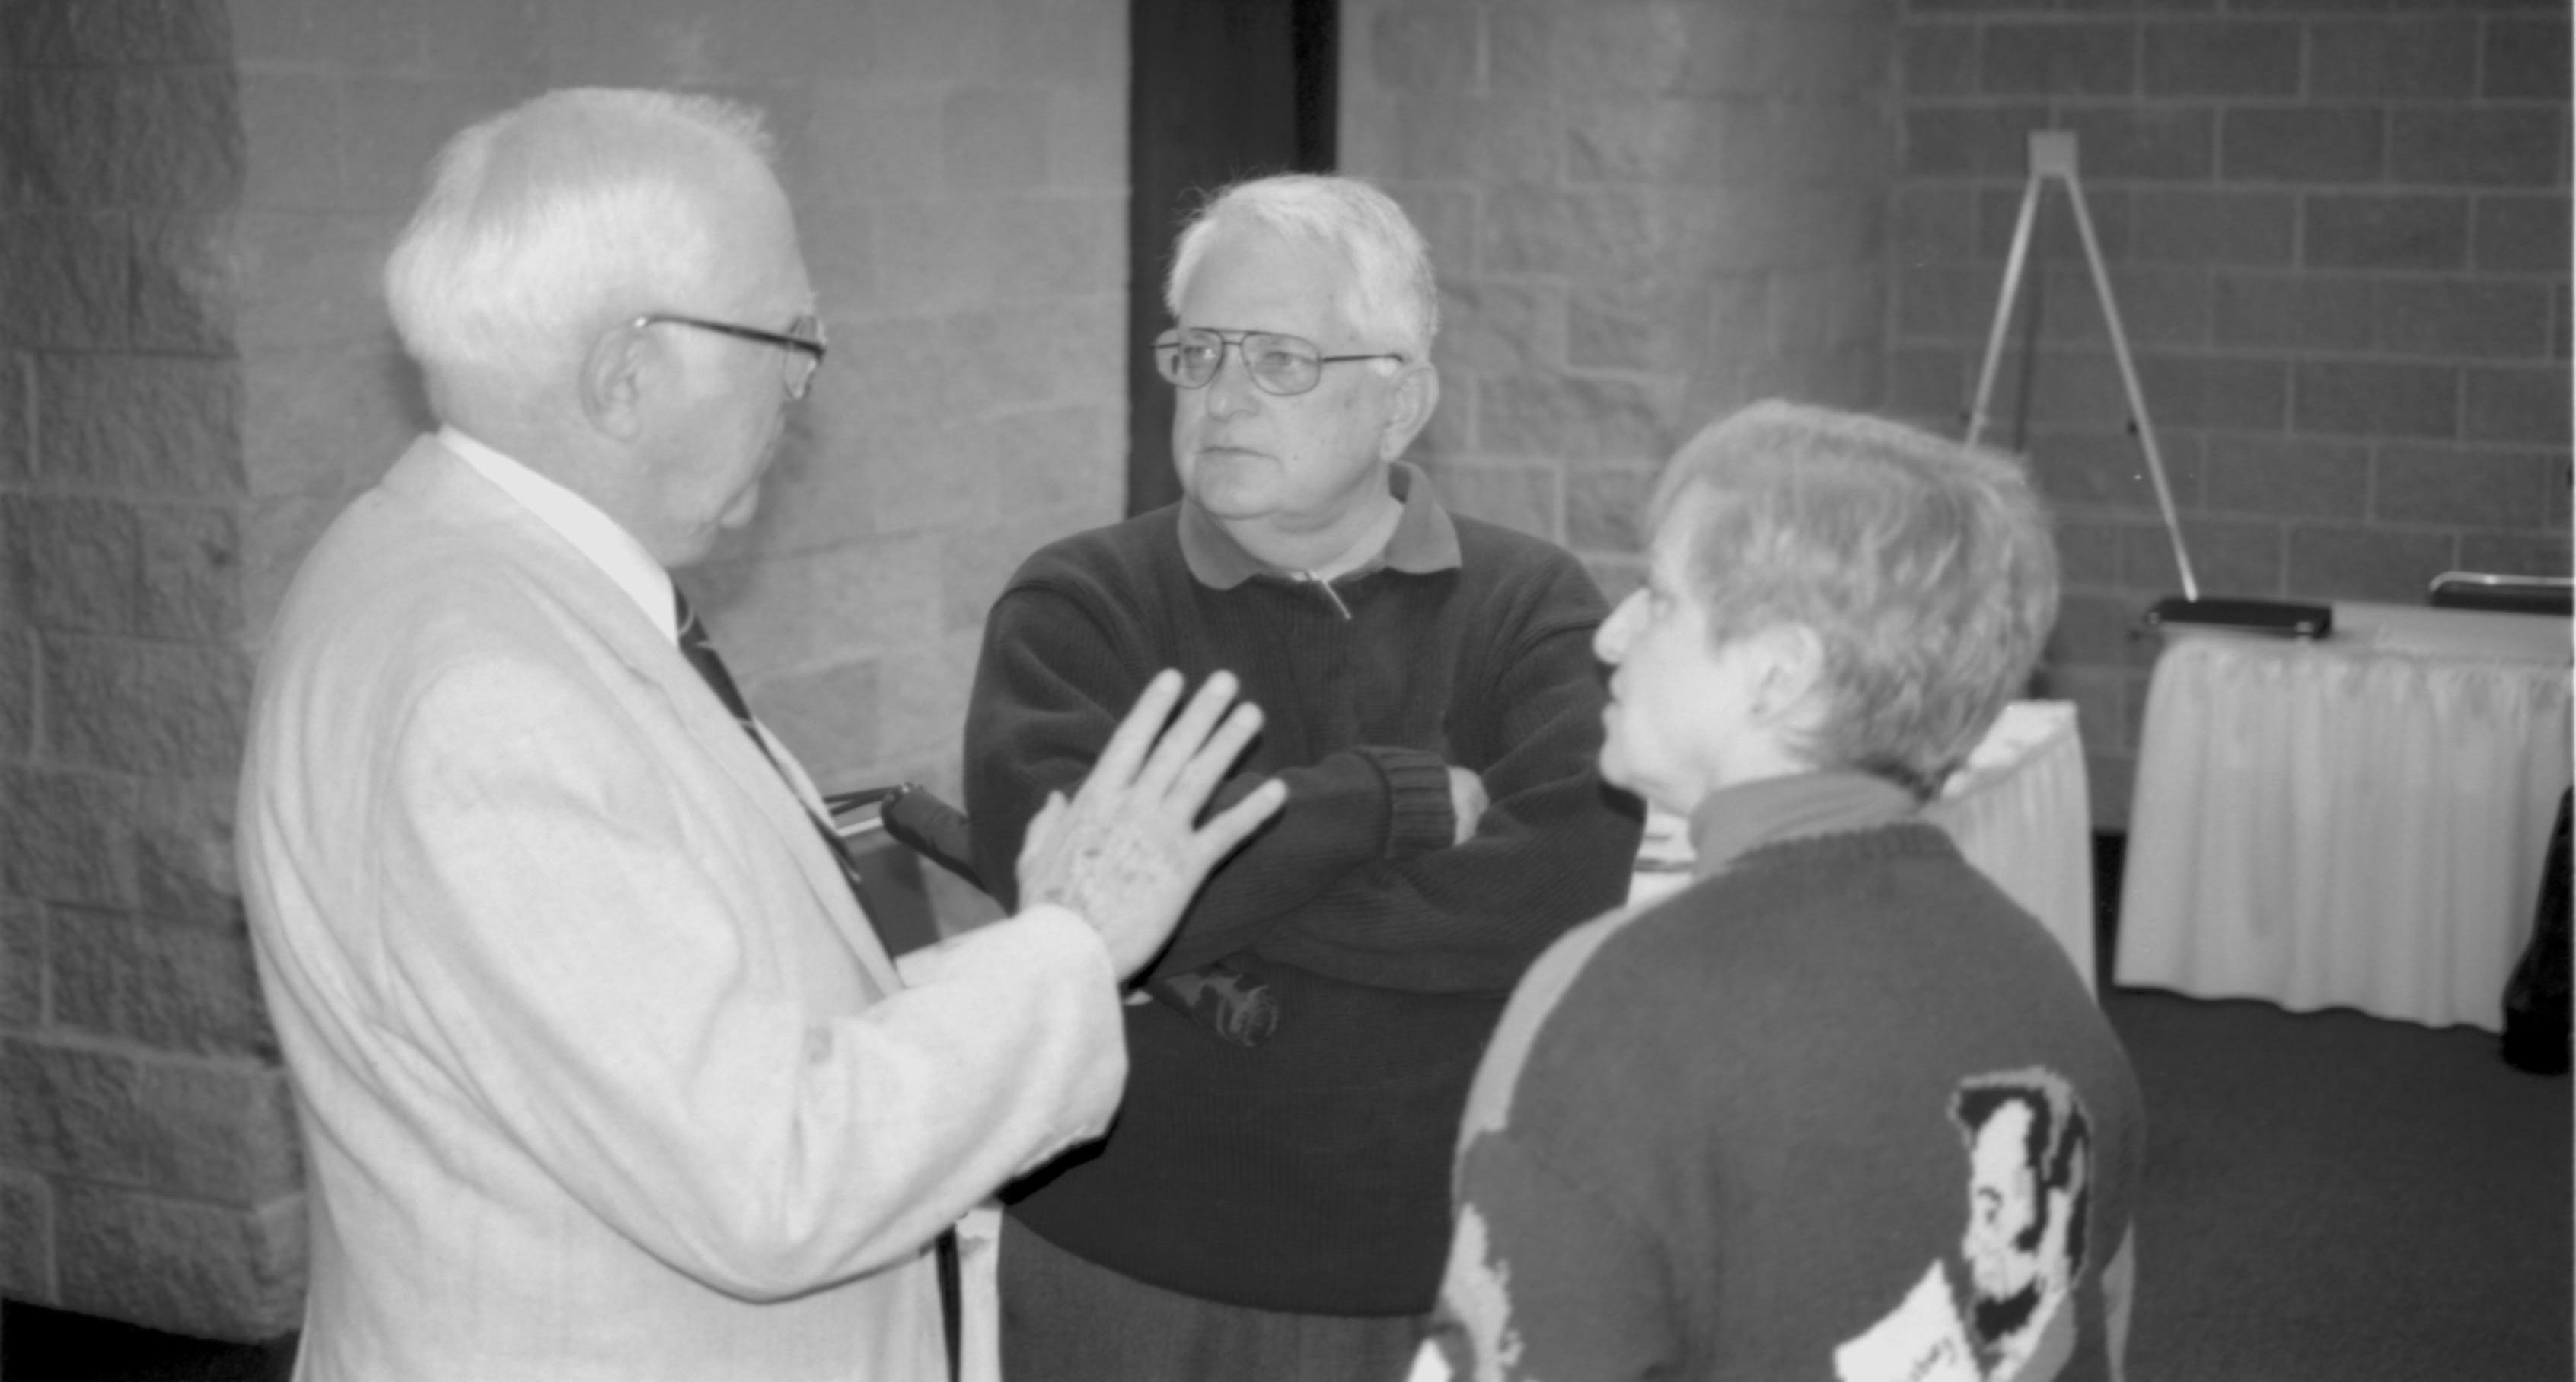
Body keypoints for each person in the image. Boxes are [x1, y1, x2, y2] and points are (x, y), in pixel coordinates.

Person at [234, 88, 1286, 1382]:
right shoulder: (488, 692)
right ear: (627, 371)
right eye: (785, 333)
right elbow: (772, 1169)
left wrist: (1038, 949)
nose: (803, 378)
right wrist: (1074, 948)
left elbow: (734, 1035)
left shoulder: (460, 572)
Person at [962, 173, 1640, 1381]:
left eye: (1278, 359)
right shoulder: (1077, 607)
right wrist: (1394, 801)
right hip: (1123, 1266)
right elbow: (1065, 904)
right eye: (1200, 351)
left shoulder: (1532, 607)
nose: (1220, 395)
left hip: (1430, 1277)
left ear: (1401, 401)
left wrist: (1207, 911)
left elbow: (1564, 890)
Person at [1413, 400, 2144, 1382]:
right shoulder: (2040, 976)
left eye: (1661, 597)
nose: (1613, 636)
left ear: (1778, 672)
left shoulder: (1612, 1004)